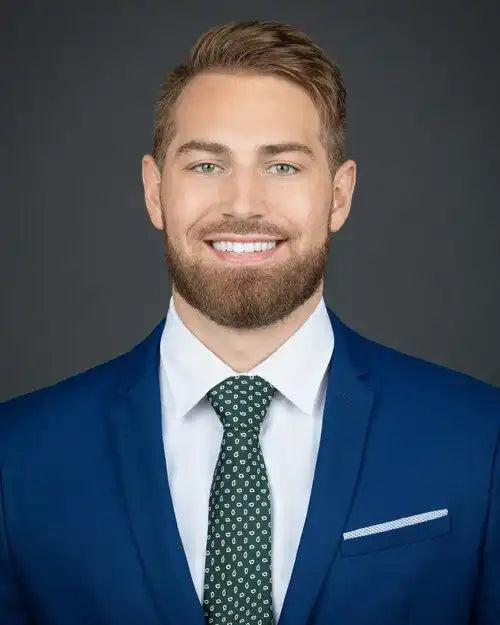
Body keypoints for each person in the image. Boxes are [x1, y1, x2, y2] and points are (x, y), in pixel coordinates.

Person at [0, 19, 498, 625]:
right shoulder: (16, 455)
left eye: (283, 166)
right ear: (155, 192)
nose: (242, 204)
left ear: (339, 196)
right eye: (207, 165)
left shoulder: (480, 439)